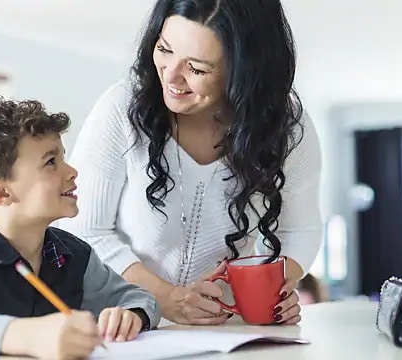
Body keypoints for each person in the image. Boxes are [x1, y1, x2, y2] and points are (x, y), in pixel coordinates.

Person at [57, 0, 322, 326]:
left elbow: (302, 232)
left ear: (246, 70)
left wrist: (272, 292)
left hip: (226, 332)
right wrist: (166, 298)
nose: (172, 76)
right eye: (165, 50)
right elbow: (83, 231)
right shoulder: (122, 109)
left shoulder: (287, 128)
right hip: (126, 324)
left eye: (197, 68)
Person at [0, 97, 160, 359]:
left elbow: (139, 299)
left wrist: (131, 315)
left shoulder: (74, 254)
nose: (72, 171)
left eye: (62, 157)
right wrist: (30, 336)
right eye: (50, 162)